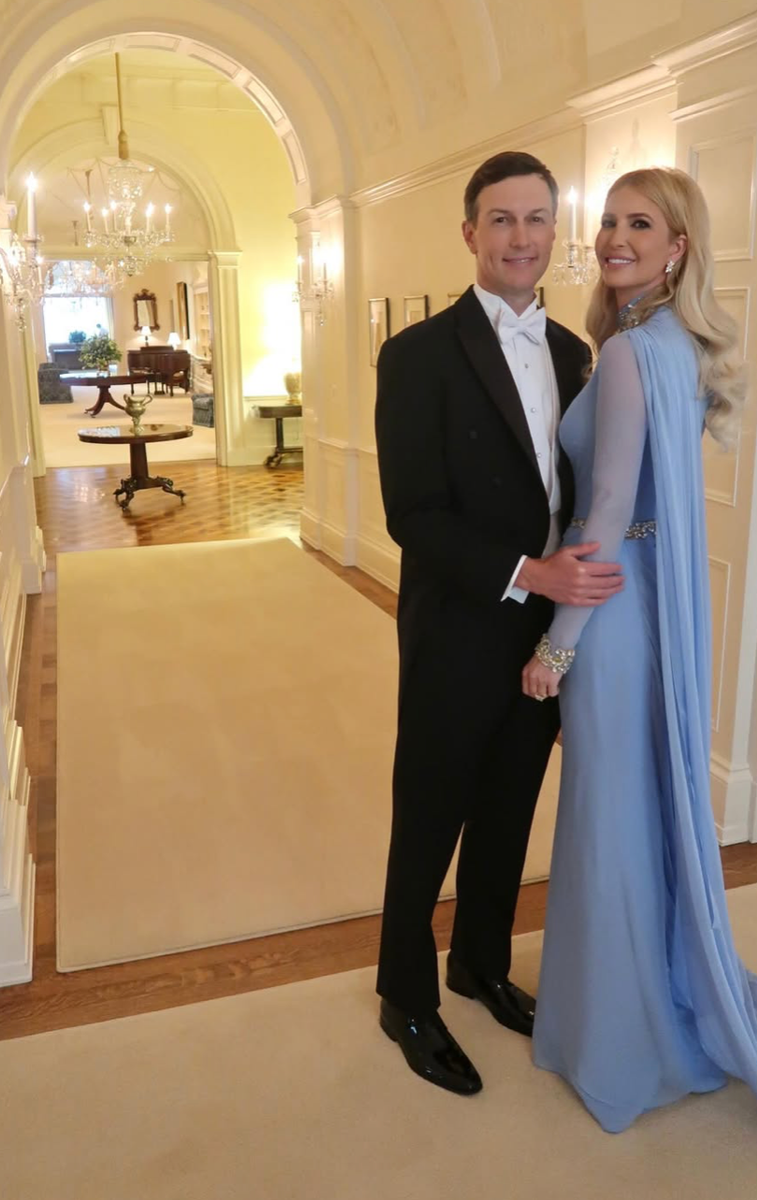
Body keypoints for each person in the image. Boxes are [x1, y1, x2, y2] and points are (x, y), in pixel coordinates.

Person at [374, 151, 624, 1096]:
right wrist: (528, 570)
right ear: (470, 232)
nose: (521, 238)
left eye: (536, 220)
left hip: (544, 636)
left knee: (512, 806)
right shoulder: (415, 355)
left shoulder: (572, 353)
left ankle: (478, 961)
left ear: (554, 232)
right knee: (430, 813)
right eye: (501, 219)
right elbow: (413, 514)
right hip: (458, 628)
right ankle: (404, 994)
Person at [522, 166, 757, 1132]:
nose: (614, 237)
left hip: (609, 612)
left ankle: (618, 1035)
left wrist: (558, 646)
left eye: (640, 224)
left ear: (678, 247)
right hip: (654, 600)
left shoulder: (623, 356)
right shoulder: (667, 345)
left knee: (608, 816)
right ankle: (642, 998)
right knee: (633, 808)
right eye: (609, 220)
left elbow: (609, 509)